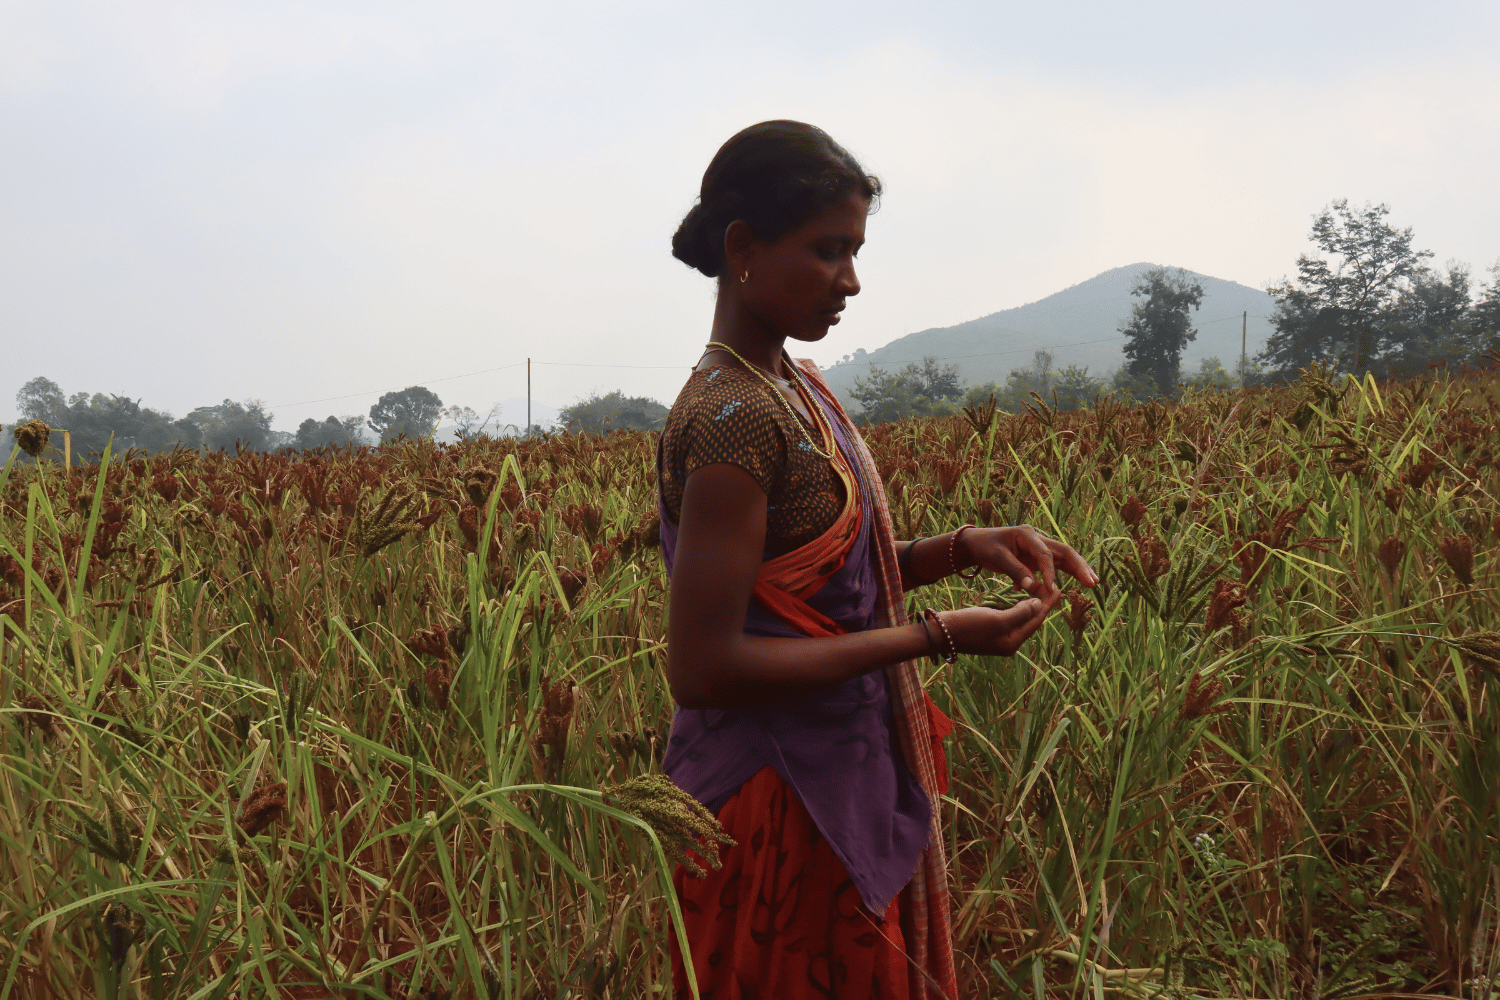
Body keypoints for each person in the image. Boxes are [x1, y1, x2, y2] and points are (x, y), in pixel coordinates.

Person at [657, 120, 1098, 1000]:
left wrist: (962, 546)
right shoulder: (732, 418)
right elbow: (704, 667)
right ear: (743, 248)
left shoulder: (792, 388)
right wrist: (932, 637)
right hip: (776, 803)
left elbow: (806, 583)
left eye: (854, 252)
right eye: (827, 252)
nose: (851, 281)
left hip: (827, 778)